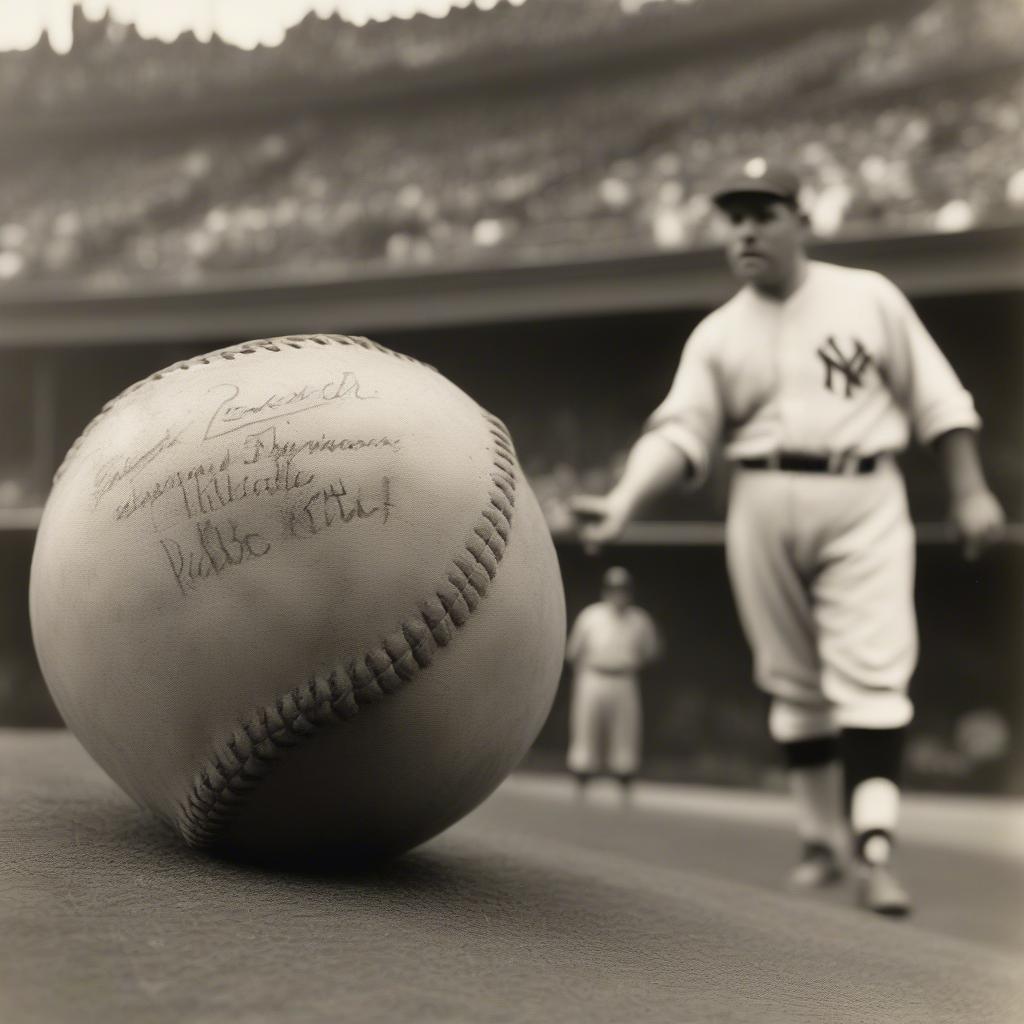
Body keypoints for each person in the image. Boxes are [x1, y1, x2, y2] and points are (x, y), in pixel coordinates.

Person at [570, 163, 1005, 915]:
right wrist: (623, 501)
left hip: (863, 489)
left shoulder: (867, 296)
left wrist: (968, 490)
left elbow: (938, 396)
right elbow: (680, 431)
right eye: (733, 216)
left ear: (802, 220)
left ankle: (873, 848)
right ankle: (818, 838)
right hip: (761, 495)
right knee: (790, 678)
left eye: (762, 213)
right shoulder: (719, 334)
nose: (745, 229)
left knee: (870, 672)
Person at [565, 566, 661, 802]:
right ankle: (581, 782)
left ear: (630, 591)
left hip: (624, 678)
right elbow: (573, 651)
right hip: (593, 675)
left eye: (623, 589)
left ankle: (624, 784)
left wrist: (632, 662)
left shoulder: (640, 619)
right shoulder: (591, 615)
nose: (618, 593)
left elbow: (652, 651)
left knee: (626, 731)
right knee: (586, 727)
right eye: (614, 588)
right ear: (605, 590)